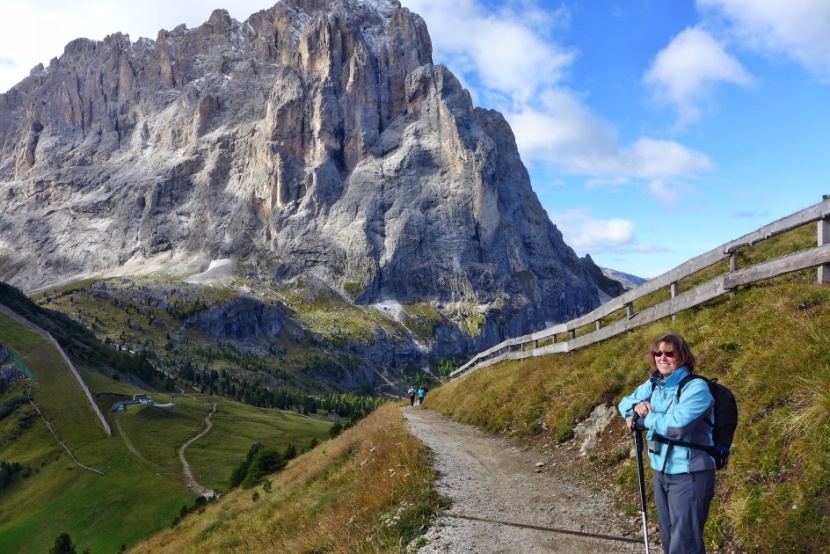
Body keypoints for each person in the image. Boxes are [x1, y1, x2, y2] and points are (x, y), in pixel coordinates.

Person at [618, 333, 716, 554]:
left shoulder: (696, 388)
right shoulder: (655, 385)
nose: (662, 358)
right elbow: (625, 402)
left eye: (669, 353)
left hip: (690, 475)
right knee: (670, 539)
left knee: (684, 544)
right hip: (661, 472)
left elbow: (678, 427)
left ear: (681, 357)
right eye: (658, 353)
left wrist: (646, 419)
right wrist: (634, 409)